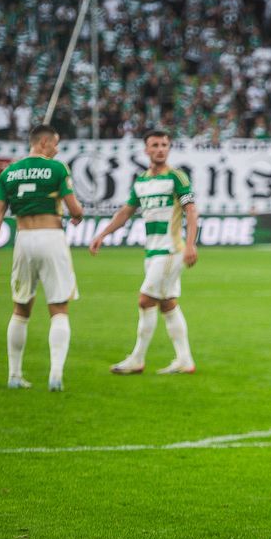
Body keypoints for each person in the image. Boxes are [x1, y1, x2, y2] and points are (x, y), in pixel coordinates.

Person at [89, 129, 199, 375]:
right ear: (146, 150)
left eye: (164, 144)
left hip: (171, 250)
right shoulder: (141, 181)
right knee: (167, 303)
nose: (160, 149)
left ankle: (137, 358)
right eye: (155, 145)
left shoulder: (177, 177)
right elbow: (125, 212)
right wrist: (102, 234)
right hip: (152, 252)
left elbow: (191, 210)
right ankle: (184, 360)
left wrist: (191, 244)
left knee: (145, 300)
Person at [0, 124, 84, 391]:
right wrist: (78, 214)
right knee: (59, 308)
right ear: (43, 143)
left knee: (20, 308)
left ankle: (14, 375)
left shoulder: (9, 172)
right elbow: (73, 207)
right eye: (55, 143)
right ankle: (55, 373)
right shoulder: (58, 168)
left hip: (24, 240)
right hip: (51, 237)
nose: (58, 148)